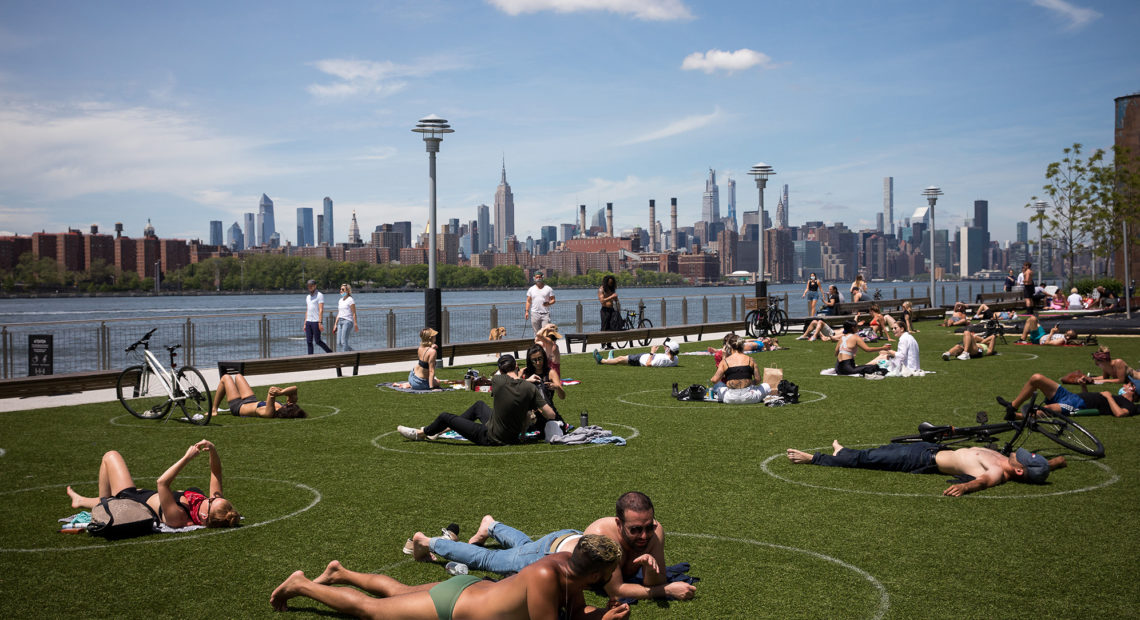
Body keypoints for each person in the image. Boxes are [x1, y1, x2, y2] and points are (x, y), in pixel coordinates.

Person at [412, 492, 695, 602]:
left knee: (522, 546)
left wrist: (649, 567)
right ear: (619, 524)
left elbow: (654, 577)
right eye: (636, 529)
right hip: (552, 553)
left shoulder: (654, 531)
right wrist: (665, 590)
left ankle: (492, 525)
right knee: (491, 561)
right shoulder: (602, 536)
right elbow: (617, 590)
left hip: (562, 541)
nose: (645, 534)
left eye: (648, 526)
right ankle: (425, 540)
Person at [270, 534, 630, 619]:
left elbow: (574, 610)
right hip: (458, 606)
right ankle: (300, 584)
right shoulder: (546, 576)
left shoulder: (570, 566)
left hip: (474, 590)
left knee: (399, 590)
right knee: (373, 612)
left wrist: (601, 614)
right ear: (597, 572)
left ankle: (340, 571)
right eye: (611, 572)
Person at [786, 440, 1065, 496]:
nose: (1020, 454)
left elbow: (979, 483)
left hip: (921, 461)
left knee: (869, 460)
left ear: (1018, 471)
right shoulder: (1009, 463)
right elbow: (1033, 469)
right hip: (928, 449)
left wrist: (964, 487)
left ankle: (814, 458)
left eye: (1024, 459)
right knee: (879, 451)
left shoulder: (996, 473)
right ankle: (843, 452)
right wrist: (1053, 464)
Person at [66, 440, 241, 528]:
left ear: (204, 517)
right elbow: (216, 473)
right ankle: (80, 500)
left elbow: (162, 483)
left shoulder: (179, 517)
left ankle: (104, 506)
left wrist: (187, 458)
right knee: (113, 472)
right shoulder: (210, 508)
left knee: (111, 456)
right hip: (147, 495)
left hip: (131, 498)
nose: (210, 498)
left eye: (210, 501)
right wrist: (212, 449)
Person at [398, 354, 557, 445]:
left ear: (501, 369)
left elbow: (496, 377)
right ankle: (439, 432)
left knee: (445, 416)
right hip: (511, 435)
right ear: (516, 366)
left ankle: (421, 433)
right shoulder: (529, 388)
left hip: (491, 437)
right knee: (479, 406)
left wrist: (519, 377)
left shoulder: (498, 381)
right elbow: (551, 415)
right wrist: (527, 382)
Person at [997, 373, 1140, 418]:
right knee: (1037, 378)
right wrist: (1083, 385)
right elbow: (1092, 398)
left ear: (1133, 390)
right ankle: (1013, 405)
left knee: (1049, 408)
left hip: (1078, 404)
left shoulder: (1129, 405)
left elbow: (1120, 414)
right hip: (1072, 396)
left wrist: (1108, 397)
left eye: (1128, 385)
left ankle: (1016, 416)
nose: (1124, 385)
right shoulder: (1118, 397)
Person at [709, 334, 777, 404]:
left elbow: (714, 380)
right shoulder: (750, 360)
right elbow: (758, 380)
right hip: (750, 397)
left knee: (720, 388)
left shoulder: (725, 361)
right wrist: (750, 383)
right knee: (766, 386)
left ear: (729, 347)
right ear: (742, 346)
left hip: (730, 398)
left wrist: (724, 358)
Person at [210, 373, 306, 418]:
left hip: (238, 407)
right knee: (238, 376)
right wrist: (281, 393)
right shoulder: (281, 407)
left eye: (290, 405)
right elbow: (295, 388)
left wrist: (278, 392)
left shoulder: (270, 413)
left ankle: (214, 409)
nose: (290, 403)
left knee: (225, 378)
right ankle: (214, 409)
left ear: (287, 409)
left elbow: (271, 391)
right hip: (251, 400)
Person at [523, 343, 567, 441]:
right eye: (534, 360)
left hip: (548, 411)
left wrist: (557, 387)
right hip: (531, 413)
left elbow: (562, 396)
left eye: (540, 358)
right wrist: (525, 381)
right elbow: (511, 384)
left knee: (558, 430)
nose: (538, 363)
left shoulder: (550, 373)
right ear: (530, 361)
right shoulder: (525, 373)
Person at [595, 340, 679, 367]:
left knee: (620, 359)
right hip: (643, 356)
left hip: (640, 360)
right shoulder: (675, 359)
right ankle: (610, 360)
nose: (664, 346)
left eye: (666, 346)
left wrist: (652, 352)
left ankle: (602, 361)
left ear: (668, 349)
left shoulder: (663, 359)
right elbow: (671, 358)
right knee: (621, 358)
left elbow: (648, 364)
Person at [303, 279, 332, 354]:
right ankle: (310, 359)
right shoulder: (307, 297)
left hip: (316, 321)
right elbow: (307, 310)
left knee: (318, 341)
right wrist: (305, 323)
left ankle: (330, 352)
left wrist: (320, 322)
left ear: (315, 286)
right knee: (309, 342)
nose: (310, 287)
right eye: (308, 286)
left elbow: (321, 309)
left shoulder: (319, 295)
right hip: (308, 321)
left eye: (311, 286)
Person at [525, 272, 556, 336]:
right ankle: (538, 345)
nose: (538, 279)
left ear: (542, 278)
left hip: (545, 314)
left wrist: (549, 303)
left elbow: (553, 300)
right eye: (537, 277)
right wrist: (527, 312)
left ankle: (545, 345)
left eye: (540, 277)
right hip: (534, 314)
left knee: (545, 332)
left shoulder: (548, 288)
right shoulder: (531, 289)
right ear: (534, 278)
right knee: (537, 333)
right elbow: (528, 301)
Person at [332, 283, 359, 351]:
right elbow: (339, 313)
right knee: (339, 343)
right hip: (340, 321)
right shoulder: (340, 300)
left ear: (347, 291)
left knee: (344, 341)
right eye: (340, 289)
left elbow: (354, 313)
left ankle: (344, 358)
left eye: (343, 289)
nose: (341, 291)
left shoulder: (350, 300)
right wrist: (335, 324)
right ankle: (353, 352)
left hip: (347, 321)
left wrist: (355, 324)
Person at [598, 274, 619, 349]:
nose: (611, 284)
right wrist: (611, 297)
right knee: (604, 327)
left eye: (612, 283)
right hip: (605, 310)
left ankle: (609, 344)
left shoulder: (611, 289)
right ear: (606, 282)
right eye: (609, 282)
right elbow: (602, 301)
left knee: (611, 327)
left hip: (611, 309)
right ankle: (603, 345)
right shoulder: (601, 289)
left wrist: (615, 298)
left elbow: (615, 300)